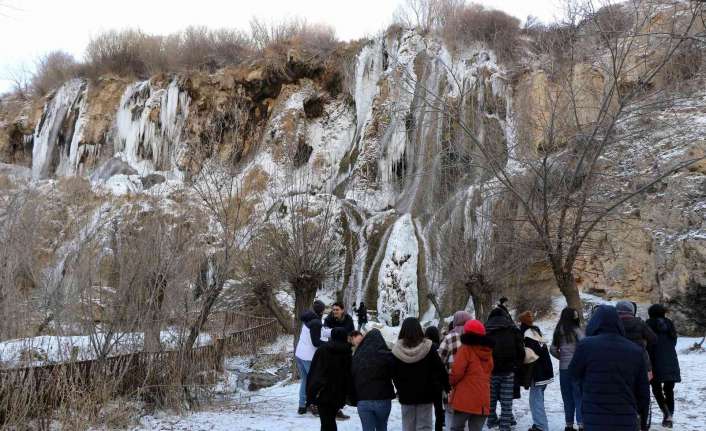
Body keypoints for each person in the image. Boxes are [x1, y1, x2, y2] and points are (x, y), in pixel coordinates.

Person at [569, 305, 651, 431]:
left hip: (594, 417)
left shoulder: (586, 346)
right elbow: (643, 392)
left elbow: (574, 374)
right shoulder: (635, 350)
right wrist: (643, 421)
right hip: (626, 418)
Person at [392, 317, 449, 431]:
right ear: (419, 329)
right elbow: (440, 369)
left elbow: (394, 374)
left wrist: (400, 389)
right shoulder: (429, 347)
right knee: (424, 427)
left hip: (406, 396)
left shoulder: (396, 350)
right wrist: (446, 386)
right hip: (426, 395)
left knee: (408, 427)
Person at [449, 319, 495, 431]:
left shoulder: (465, 349)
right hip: (482, 400)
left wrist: (450, 382)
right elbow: (489, 371)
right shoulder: (488, 352)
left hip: (464, 399)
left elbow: (456, 373)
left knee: (456, 428)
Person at [485, 307, 525, 431]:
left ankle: (491, 421)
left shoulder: (485, 330)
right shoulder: (513, 330)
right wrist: (515, 366)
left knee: (490, 399)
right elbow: (521, 352)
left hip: (490, 371)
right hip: (508, 371)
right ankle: (505, 426)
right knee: (506, 400)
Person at [307, 327, 353, 431]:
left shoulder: (323, 350)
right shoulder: (347, 351)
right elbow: (350, 374)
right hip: (340, 393)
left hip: (323, 392)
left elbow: (315, 371)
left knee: (326, 422)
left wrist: (311, 393)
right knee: (330, 419)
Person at [352, 329, 396, 431]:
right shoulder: (387, 355)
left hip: (363, 399)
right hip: (383, 398)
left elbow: (352, 375)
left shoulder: (357, 356)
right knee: (382, 426)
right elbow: (395, 373)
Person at [646, 304, 681, 429]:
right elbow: (674, 341)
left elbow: (647, 343)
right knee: (669, 390)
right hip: (671, 360)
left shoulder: (648, 324)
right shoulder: (669, 323)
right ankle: (669, 417)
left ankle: (666, 413)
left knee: (656, 389)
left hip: (654, 361)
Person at [550, 307, 584, 431]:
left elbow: (553, 349)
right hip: (577, 368)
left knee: (567, 397)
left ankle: (569, 425)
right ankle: (581, 424)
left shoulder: (558, 330)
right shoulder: (577, 330)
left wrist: (562, 357)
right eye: (575, 315)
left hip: (564, 368)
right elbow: (584, 345)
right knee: (579, 396)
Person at [519, 311, 554, 431]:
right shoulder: (535, 331)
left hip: (538, 372)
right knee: (538, 399)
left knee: (535, 401)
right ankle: (539, 423)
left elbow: (530, 355)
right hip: (545, 370)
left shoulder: (526, 334)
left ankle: (541, 427)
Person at [438, 311, 472, 431]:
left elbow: (439, 361)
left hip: (451, 385)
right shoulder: (475, 338)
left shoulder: (448, 338)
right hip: (471, 385)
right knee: (467, 415)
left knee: (449, 413)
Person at [295, 300, 325, 415]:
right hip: (308, 357)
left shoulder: (307, 318)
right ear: (321, 311)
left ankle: (302, 406)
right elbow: (316, 342)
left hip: (299, 354)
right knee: (315, 382)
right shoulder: (316, 322)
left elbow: (313, 335)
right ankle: (314, 405)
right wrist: (329, 343)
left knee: (305, 380)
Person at [424, 326, 445, 431]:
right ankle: (438, 428)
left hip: (426, 383)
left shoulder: (423, 348)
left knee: (425, 410)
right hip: (437, 383)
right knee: (439, 409)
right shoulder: (440, 347)